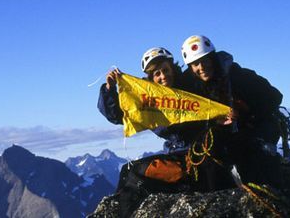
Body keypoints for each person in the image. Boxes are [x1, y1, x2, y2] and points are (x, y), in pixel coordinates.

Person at [97, 47, 236, 217]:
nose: (163, 76)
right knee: (127, 171)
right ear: (151, 78)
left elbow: (211, 101)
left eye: (165, 70)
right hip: (177, 157)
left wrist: (221, 116)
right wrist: (109, 91)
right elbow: (118, 115)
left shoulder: (190, 86)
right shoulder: (148, 100)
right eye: (157, 73)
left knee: (134, 174)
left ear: (173, 68)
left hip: (198, 159)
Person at [180, 34, 285, 187]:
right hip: (225, 135)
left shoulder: (237, 76)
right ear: (190, 68)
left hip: (253, 129)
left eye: (204, 60)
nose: (201, 67)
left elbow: (274, 97)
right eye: (195, 64)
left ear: (213, 58)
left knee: (257, 160)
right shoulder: (191, 88)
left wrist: (245, 112)